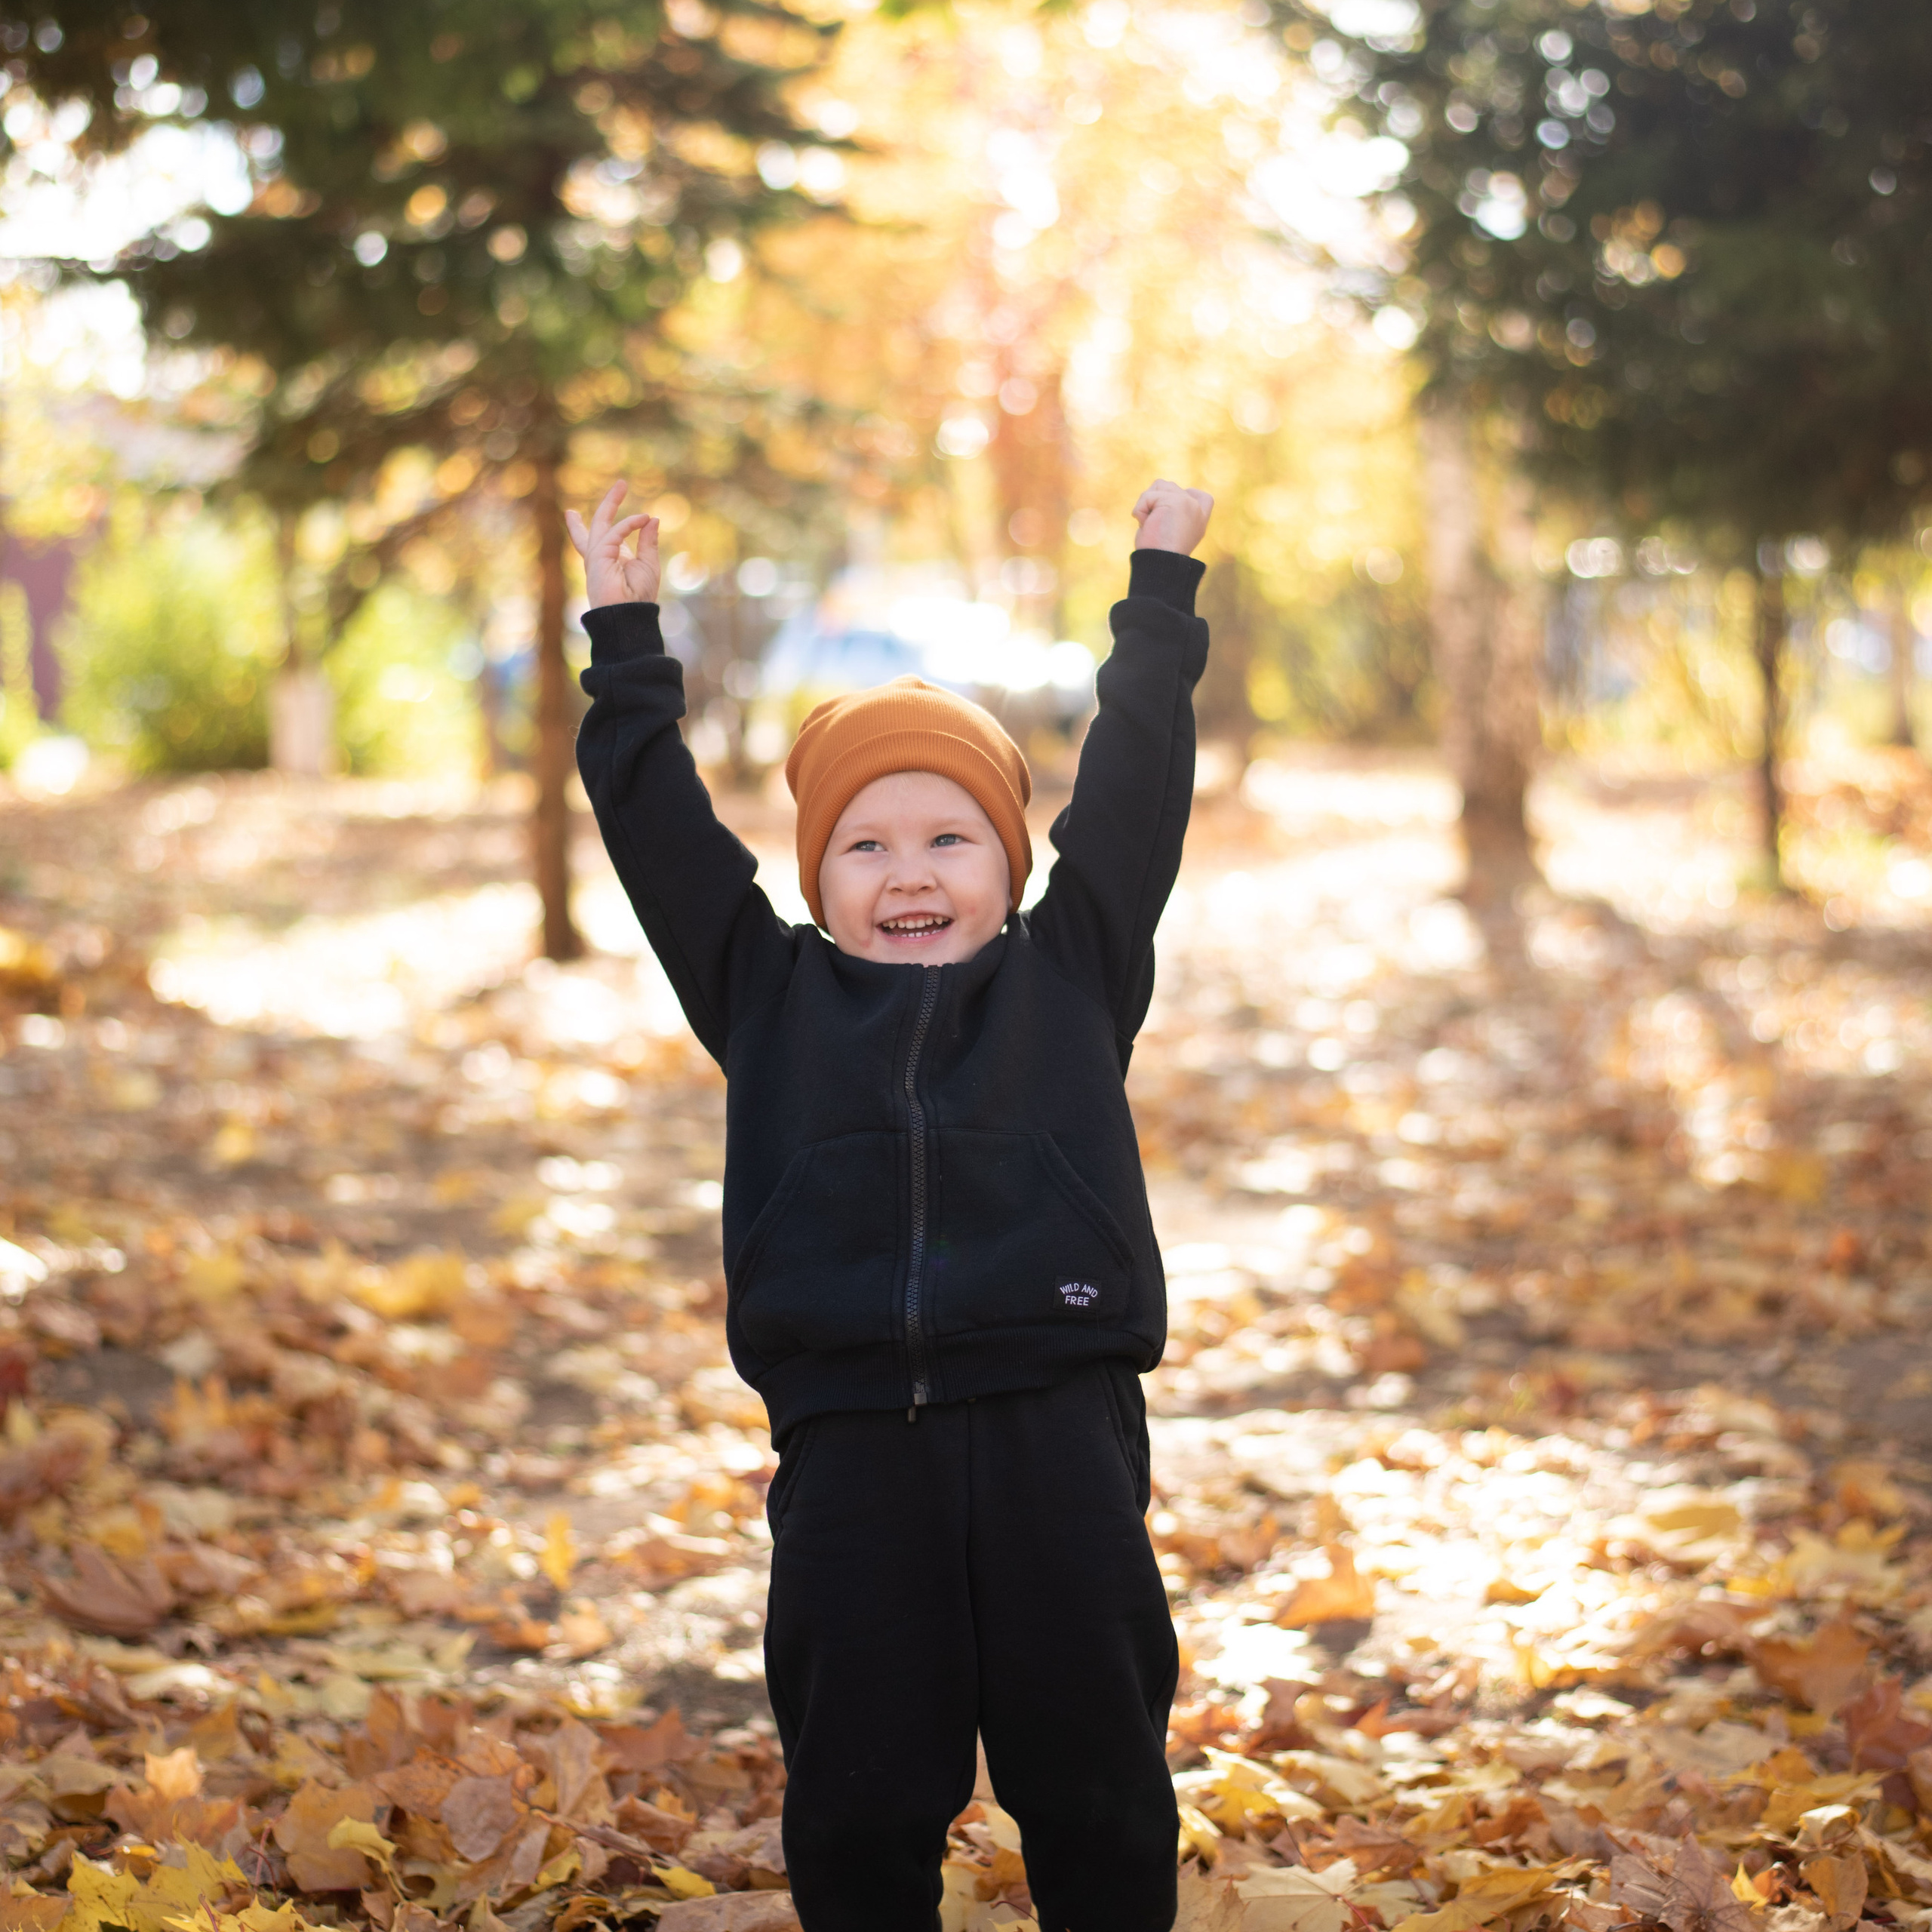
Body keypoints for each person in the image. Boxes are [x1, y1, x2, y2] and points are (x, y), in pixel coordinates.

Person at [568, 478, 1214, 1932]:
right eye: (865, 846)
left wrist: (1158, 594)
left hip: (1059, 1430)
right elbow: (657, 829)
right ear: (816, 880)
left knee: (1099, 1783)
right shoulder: (770, 991)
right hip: (856, 1451)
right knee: (859, 1802)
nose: (909, 873)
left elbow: (1134, 784)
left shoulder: (1073, 972)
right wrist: (623, 637)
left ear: (1009, 864)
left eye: (948, 840)